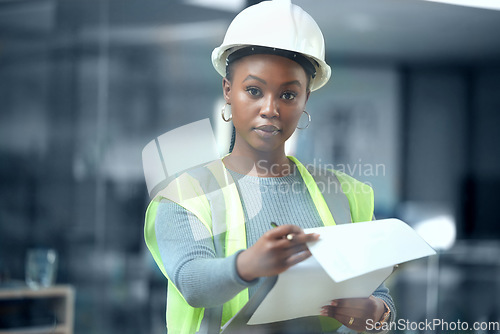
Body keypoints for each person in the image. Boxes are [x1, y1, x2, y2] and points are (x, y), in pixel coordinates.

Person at [144, 0, 396, 333]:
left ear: (306, 99)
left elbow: (379, 295)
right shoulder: (187, 195)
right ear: (228, 92)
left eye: (288, 95)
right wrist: (249, 265)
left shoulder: (345, 195)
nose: (270, 109)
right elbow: (191, 282)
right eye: (253, 90)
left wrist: (378, 314)